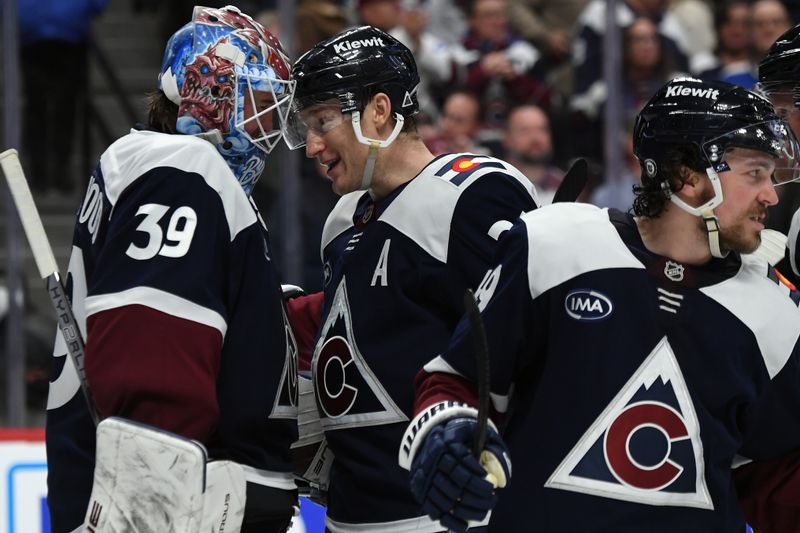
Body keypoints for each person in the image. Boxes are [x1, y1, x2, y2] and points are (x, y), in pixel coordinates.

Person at [399, 77, 800, 532]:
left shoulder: (775, 315)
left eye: (771, 175)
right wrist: (445, 432)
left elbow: (772, 477)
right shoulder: (555, 245)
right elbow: (459, 379)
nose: (771, 195)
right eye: (755, 174)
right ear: (688, 175)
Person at [44, 6, 298, 532]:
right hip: (163, 509)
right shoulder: (185, 169)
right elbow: (152, 368)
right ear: (209, 94)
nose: (266, 131)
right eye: (256, 106)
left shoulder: (149, 165)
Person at [283, 25, 539, 532]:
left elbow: (528, 339)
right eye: (305, 126)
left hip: (441, 513)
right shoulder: (342, 220)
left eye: (323, 121)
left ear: (379, 111)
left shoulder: (473, 193)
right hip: (348, 511)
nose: (311, 145)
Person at [19, 0, 109, 195]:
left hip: (57, 37)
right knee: (49, 109)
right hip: (47, 36)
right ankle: (45, 171)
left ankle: (50, 171)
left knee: (58, 109)